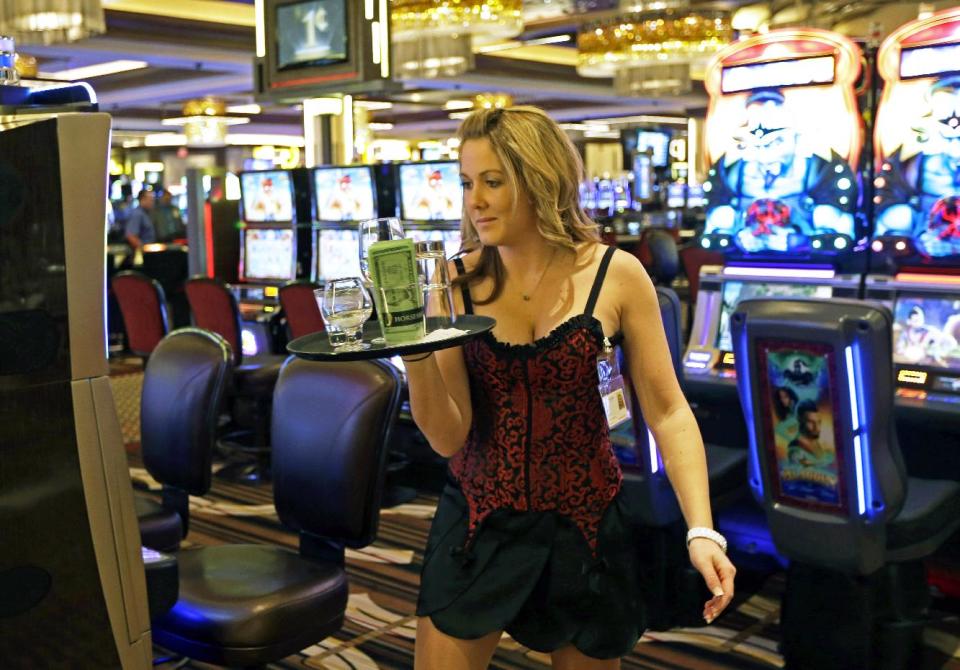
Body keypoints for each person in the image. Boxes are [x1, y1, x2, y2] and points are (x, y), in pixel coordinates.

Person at [402, 106, 735, 670]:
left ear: (540, 179)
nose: (473, 201)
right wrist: (415, 354)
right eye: (466, 183)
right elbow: (447, 437)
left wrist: (702, 529)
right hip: (478, 520)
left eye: (492, 181)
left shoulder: (617, 273)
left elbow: (669, 411)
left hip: (584, 524)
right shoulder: (454, 280)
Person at [703, 88, 857, 252]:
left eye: (776, 142)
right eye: (756, 144)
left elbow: (841, 237)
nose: (765, 155)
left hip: (811, 273)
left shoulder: (822, 169)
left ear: (796, 137)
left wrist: (800, 242)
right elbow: (711, 236)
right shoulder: (729, 172)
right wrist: (736, 241)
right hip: (740, 270)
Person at [787, 400, 834, 468]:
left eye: (818, 422)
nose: (817, 428)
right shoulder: (795, 449)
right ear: (800, 422)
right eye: (811, 422)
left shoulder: (818, 444)